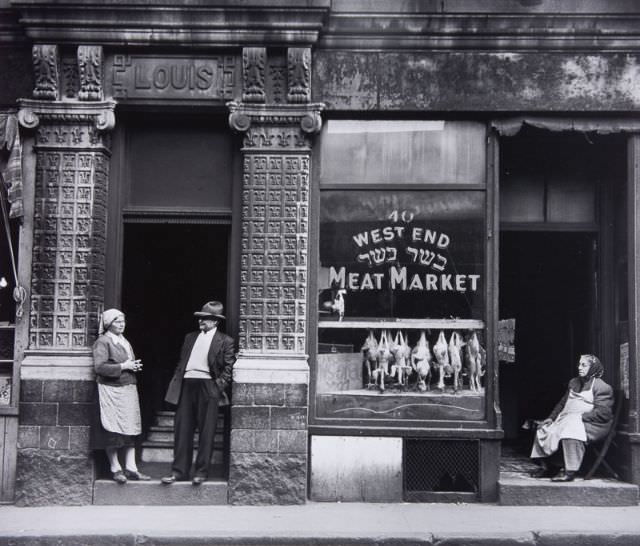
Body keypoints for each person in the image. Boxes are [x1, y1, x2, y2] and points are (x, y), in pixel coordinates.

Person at [161, 301, 235, 485]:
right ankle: (179, 472)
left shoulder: (225, 341)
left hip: (208, 387)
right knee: (182, 429)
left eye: (207, 318)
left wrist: (217, 388)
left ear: (215, 322)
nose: (201, 321)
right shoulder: (190, 337)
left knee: (207, 431)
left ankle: (201, 472)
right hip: (186, 385)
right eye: (201, 317)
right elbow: (181, 362)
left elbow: (229, 368)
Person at [530, 354, 614, 482]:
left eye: (584, 365)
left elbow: (603, 414)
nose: (579, 367)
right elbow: (562, 403)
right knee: (544, 428)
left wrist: (579, 417)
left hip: (593, 425)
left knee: (570, 430)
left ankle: (570, 471)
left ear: (593, 367)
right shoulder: (574, 382)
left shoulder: (602, 387)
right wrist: (551, 418)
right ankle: (551, 467)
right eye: (579, 364)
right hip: (568, 420)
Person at [91, 308, 150, 483]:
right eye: (117, 321)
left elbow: (126, 363)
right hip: (111, 391)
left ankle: (131, 468)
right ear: (109, 323)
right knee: (113, 430)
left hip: (128, 389)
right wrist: (124, 367)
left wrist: (132, 367)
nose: (122, 324)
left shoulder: (124, 341)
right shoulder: (103, 342)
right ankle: (115, 468)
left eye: (123, 321)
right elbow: (99, 367)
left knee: (130, 429)